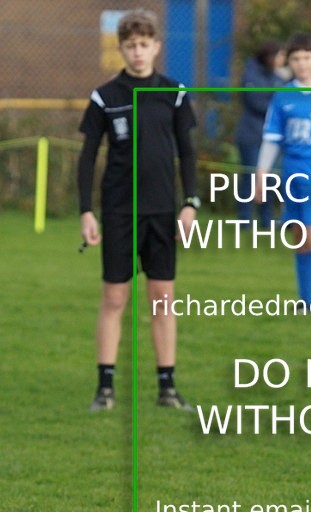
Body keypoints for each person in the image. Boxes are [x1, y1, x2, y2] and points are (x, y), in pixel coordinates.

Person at [78, 8, 198, 412]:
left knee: (162, 298)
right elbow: (87, 157)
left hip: (163, 212)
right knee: (114, 298)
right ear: (122, 49)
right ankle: (104, 388)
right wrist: (85, 211)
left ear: (156, 47)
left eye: (144, 45)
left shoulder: (174, 92)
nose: (138, 52)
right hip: (117, 212)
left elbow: (188, 153)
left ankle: (167, 386)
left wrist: (190, 203)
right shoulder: (104, 97)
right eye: (130, 46)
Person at [256, 32, 311, 313]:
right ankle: (306, 299)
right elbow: (272, 138)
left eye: (307, 57)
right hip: (291, 172)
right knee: (298, 235)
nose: (302, 63)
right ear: (289, 62)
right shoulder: (283, 96)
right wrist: (261, 173)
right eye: (295, 58)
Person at [234, 40, 287, 226]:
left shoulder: (278, 76)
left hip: (271, 137)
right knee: (251, 176)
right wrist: (278, 108)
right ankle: (245, 220)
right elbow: (255, 101)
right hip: (251, 135)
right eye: (280, 55)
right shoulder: (251, 74)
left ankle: (267, 220)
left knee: (270, 179)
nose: (283, 59)